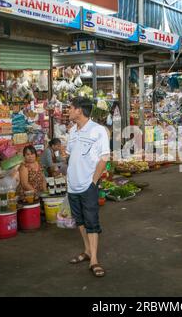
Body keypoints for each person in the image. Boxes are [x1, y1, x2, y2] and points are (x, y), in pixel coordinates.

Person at [66, 97, 110, 278]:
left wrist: (93, 181)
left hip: (87, 185)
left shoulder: (98, 130)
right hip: (72, 185)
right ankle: (87, 251)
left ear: (79, 111)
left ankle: (95, 260)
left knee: (92, 222)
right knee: (81, 221)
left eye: (70, 108)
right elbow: (68, 155)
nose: (68, 111)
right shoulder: (72, 131)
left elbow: (105, 157)